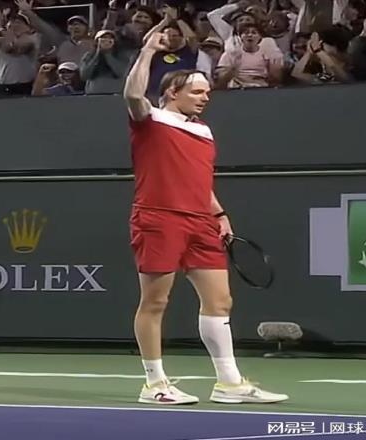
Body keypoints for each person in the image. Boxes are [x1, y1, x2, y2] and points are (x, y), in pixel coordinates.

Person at [123, 31, 290, 405]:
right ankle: (154, 384)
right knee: (155, 302)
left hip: (201, 221)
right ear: (172, 93)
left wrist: (219, 213)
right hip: (159, 218)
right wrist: (148, 50)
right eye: (197, 92)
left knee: (220, 301)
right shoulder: (150, 118)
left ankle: (229, 384)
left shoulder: (203, 130)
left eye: (207, 92)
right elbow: (133, 94)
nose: (205, 97)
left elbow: (200, 180)